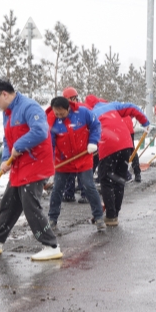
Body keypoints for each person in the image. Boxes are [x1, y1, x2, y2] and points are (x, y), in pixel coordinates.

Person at [0, 79, 62, 261]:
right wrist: (6, 158)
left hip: (35, 164)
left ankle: (51, 245)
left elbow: (40, 130)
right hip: (19, 165)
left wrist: (20, 146)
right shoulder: (8, 113)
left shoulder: (29, 107)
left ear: (4, 94)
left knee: (31, 206)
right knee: (9, 203)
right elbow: (8, 140)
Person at [85, 95, 150, 226]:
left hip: (108, 144)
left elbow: (85, 132)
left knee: (106, 180)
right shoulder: (112, 106)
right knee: (119, 179)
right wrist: (145, 122)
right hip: (126, 144)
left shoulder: (90, 113)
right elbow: (132, 107)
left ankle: (110, 215)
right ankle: (114, 214)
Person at [47, 96, 105, 233]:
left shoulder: (83, 113)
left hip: (83, 157)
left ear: (69, 108)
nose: (59, 116)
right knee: (57, 189)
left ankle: (98, 217)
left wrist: (93, 141)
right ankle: (52, 220)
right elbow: (50, 144)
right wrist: (50, 162)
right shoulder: (51, 120)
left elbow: (96, 125)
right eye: (57, 114)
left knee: (89, 186)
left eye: (62, 113)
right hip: (63, 161)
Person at [123, 116, 142, 182]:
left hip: (122, 129)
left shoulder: (108, 109)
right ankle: (137, 174)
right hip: (128, 128)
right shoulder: (122, 108)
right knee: (132, 151)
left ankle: (125, 174)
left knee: (122, 152)